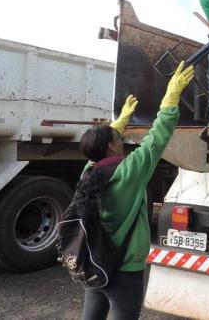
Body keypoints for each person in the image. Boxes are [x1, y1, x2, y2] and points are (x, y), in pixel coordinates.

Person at [78, 61, 194, 320]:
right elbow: (157, 139)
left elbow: (101, 149)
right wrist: (170, 98)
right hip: (125, 271)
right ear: (111, 147)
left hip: (94, 263)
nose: (123, 141)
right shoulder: (128, 172)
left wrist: (118, 124)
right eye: (120, 139)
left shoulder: (88, 172)